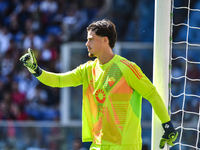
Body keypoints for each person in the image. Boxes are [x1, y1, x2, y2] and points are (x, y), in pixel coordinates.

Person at [20, 19, 178, 150]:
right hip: (98, 145)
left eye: (91, 39)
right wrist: (35, 70)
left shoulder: (127, 68)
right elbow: (59, 80)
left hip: (125, 145)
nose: (86, 43)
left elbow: (152, 94)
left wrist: (167, 125)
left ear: (105, 40)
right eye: (87, 39)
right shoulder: (88, 69)